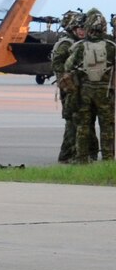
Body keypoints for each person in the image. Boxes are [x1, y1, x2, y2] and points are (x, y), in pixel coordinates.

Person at [65, 9, 116, 163]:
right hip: (105, 92)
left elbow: (69, 65)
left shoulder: (80, 46)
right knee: (107, 126)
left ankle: (82, 159)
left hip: (85, 91)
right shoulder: (111, 46)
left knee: (83, 125)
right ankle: (108, 159)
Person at [51, 11, 90, 162]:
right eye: (79, 28)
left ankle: (73, 153)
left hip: (78, 87)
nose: (82, 31)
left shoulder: (80, 43)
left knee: (77, 120)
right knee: (72, 121)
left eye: (84, 28)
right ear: (73, 28)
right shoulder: (67, 43)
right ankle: (66, 155)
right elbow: (57, 64)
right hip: (69, 89)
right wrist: (67, 80)